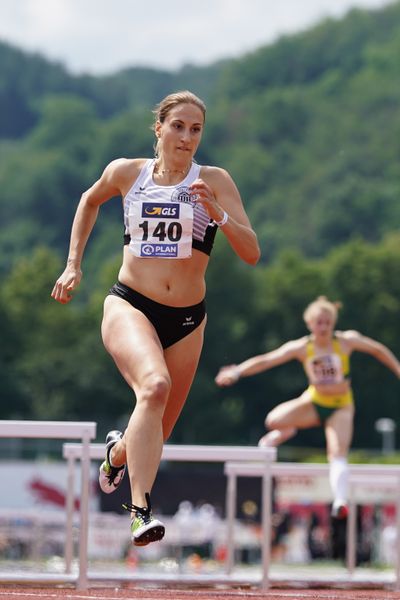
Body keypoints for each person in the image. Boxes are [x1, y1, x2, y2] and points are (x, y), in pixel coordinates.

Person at [51, 90, 260, 546]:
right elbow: (89, 201)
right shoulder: (129, 173)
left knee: (154, 427)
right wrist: (73, 264)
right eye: (179, 126)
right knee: (154, 388)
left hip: (187, 320)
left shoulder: (215, 180)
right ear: (159, 128)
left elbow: (252, 252)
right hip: (130, 304)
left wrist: (218, 213)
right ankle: (140, 511)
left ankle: (117, 453)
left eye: (196, 129)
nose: (187, 137)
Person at [215, 296, 400, 518]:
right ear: (310, 324)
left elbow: (378, 350)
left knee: (337, 453)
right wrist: (237, 372)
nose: (323, 328)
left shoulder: (346, 341)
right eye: (319, 323)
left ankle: (340, 500)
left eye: (327, 323)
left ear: (333, 323)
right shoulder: (303, 347)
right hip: (313, 401)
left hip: (341, 407)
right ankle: (289, 429)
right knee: (273, 420)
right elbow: (268, 359)